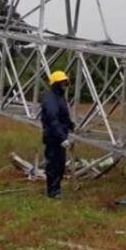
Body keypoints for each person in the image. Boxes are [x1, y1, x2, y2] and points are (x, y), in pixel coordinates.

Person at [40, 70, 74, 199]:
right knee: (53, 165)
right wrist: (62, 137)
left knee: (60, 164)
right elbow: (52, 119)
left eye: (66, 83)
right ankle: (52, 191)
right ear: (56, 84)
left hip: (60, 136)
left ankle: (57, 189)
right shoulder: (50, 99)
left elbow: (63, 116)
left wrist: (71, 125)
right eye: (63, 83)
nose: (65, 86)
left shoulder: (59, 97)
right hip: (53, 137)